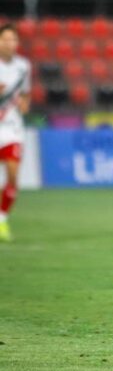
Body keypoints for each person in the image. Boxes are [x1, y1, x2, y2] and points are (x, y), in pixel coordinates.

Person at [0, 23, 31, 242]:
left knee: (12, 176)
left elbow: (26, 93)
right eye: (6, 39)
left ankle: (2, 220)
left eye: (13, 39)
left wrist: (24, 104)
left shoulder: (23, 66)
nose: (10, 43)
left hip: (12, 128)